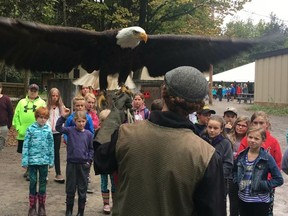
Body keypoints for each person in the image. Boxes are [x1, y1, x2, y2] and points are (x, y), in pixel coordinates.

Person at [94, 66, 226, 216]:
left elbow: (100, 160)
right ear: (200, 105)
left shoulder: (125, 135)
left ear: (163, 92)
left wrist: (116, 112)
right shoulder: (206, 155)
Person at [237, 111, 282, 216]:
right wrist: (238, 180)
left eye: (261, 123)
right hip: (245, 191)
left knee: (267, 212)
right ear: (251, 124)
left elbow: (278, 164)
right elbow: (238, 164)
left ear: (267, 124)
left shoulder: (273, 142)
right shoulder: (246, 140)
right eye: (255, 122)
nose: (258, 125)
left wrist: (264, 183)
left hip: (265, 188)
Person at [56, 109, 94, 216]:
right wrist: (63, 117)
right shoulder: (70, 130)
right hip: (72, 164)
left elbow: (91, 149)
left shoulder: (88, 134)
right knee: (70, 188)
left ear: (86, 122)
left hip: (83, 165)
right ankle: (69, 210)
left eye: (83, 121)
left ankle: (80, 212)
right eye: (79, 121)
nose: (81, 124)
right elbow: (58, 128)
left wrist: (89, 161)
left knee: (82, 189)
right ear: (75, 121)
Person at [22, 107, 54, 216]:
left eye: (45, 118)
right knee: (33, 182)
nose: (43, 120)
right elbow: (25, 145)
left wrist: (51, 160)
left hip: (44, 161)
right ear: (36, 117)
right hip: (32, 161)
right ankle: (32, 207)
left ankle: (41, 206)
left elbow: (51, 146)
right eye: (41, 117)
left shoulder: (48, 130)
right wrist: (25, 160)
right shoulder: (30, 129)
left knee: (43, 182)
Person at [12, 83, 46, 180]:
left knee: (34, 152)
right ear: (28, 90)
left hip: (37, 133)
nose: (33, 92)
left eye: (35, 91)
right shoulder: (21, 102)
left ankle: (31, 171)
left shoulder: (42, 103)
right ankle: (28, 169)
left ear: (37, 92)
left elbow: (45, 116)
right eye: (31, 90)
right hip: (24, 133)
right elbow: (16, 116)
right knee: (26, 152)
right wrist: (18, 128)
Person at [201, 115, 233, 215]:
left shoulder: (225, 143)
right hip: (202, 181)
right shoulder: (201, 140)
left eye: (215, 128)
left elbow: (228, 164)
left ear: (221, 129)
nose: (212, 130)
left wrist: (216, 177)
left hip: (219, 183)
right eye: (210, 127)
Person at [227, 116, 250, 216]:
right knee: (233, 203)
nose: (240, 127)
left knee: (245, 202)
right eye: (238, 125)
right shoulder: (228, 138)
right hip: (231, 175)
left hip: (245, 174)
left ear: (248, 127)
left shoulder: (250, 139)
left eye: (243, 126)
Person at [96, 109, 116, 214]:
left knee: (114, 183)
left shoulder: (115, 133)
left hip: (112, 162)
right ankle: (106, 203)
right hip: (102, 162)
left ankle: (115, 203)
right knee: (104, 183)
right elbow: (94, 147)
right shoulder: (98, 133)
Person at [47, 88, 66, 183]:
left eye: (56, 96)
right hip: (47, 132)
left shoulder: (62, 107)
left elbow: (64, 119)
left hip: (57, 132)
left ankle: (58, 173)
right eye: (53, 95)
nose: (54, 98)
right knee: (46, 151)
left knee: (56, 152)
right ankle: (45, 172)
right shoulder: (46, 106)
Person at [0, 82, 14, 151]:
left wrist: (9, 125)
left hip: (3, 126)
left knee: (1, 146)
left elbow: (11, 112)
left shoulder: (6, 99)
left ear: (1, 89)